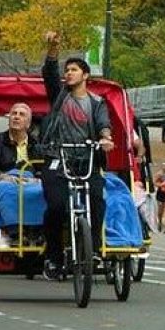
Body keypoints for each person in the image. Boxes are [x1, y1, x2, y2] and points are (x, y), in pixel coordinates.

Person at [39, 30, 114, 280]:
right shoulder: (60, 96)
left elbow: (104, 123)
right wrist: (53, 49)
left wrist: (105, 138)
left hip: (87, 160)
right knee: (58, 205)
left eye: (74, 70)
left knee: (96, 198)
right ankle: (53, 256)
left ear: (86, 75)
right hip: (56, 159)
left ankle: (93, 250)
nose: (68, 73)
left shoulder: (96, 102)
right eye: (67, 69)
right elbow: (49, 73)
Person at [0, 102, 38, 187]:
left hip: (29, 184)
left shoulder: (36, 143)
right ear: (9, 120)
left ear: (28, 124)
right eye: (14, 114)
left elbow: (45, 167)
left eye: (22, 115)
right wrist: (0, 176)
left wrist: (37, 179)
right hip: (5, 183)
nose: (16, 117)